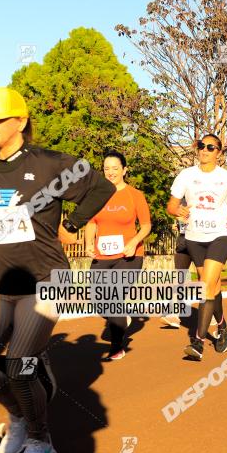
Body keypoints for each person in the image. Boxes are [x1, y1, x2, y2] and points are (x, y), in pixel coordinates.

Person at [0, 87, 115, 453]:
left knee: (20, 364)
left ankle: (42, 439)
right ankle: (19, 416)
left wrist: (72, 223)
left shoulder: (50, 164)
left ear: (20, 122)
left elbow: (100, 186)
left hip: (46, 280)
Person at [167, 133, 227, 361]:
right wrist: (177, 210)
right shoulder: (186, 175)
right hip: (194, 237)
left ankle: (198, 342)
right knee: (213, 286)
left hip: (220, 235)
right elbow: (171, 205)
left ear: (219, 153)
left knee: (205, 286)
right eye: (201, 146)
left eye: (211, 147)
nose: (205, 150)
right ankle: (222, 325)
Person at [84, 150, 152, 361]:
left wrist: (133, 242)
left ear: (124, 170)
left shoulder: (135, 195)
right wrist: (88, 243)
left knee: (113, 295)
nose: (110, 172)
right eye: (106, 169)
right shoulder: (96, 194)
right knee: (98, 299)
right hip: (103, 255)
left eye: (115, 168)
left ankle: (116, 347)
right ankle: (121, 317)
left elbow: (147, 225)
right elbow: (91, 222)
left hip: (129, 256)